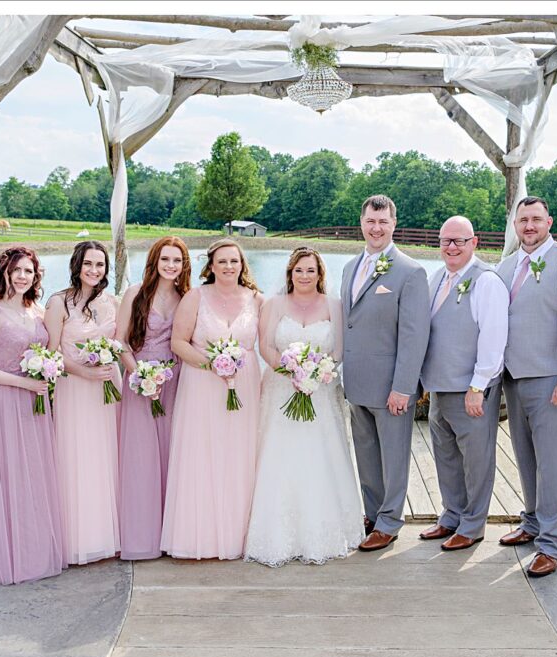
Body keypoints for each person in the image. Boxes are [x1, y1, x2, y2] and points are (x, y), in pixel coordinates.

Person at [495, 197, 557, 577]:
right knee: (526, 457)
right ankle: (533, 521)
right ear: (515, 225)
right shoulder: (505, 267)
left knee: (552, 464)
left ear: (549, 221)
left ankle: (551, 545)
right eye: (523, 220)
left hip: (554, 380)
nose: (530, 226)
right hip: (513, 378)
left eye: (536, 219)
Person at [244, 247, 364, 566]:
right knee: (279, 456)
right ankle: (277, 533)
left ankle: (323, 529)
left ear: (320, 274)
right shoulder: (274, 304)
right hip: (281, 389)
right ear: (290, 273)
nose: (305, 276)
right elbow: (266, 346)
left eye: (311, 270)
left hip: (320, 390)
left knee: (320, 456)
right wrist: (290, 371)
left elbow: (338, 350)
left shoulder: (334, 306)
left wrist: (316, 372)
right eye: (299, 270)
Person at [160, 238, 263, 560]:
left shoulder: (257, 300)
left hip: (243, 384)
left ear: (242, 265)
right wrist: (212, 364)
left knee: (239, 454)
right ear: (212, 266)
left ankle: (237, 536)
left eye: (234, 261)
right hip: (201, 384)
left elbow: (272, 340)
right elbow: (178, 342)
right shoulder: (195, 296)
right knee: (202, 453)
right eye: (222, 262)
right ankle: (198, 536)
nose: (229, 267)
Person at [0, 246, 66, 585]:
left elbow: (52, 350)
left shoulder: (38, 311)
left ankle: (37, 549)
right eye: (17, 270)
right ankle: (13, 556)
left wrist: (47, 373)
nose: (23, 276)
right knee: (11, 474)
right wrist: (23, 383)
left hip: (36, 402)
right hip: (5, 401)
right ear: (4, 273)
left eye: (29, 270)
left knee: (37, 474)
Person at [340, 195, 431, 552]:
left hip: (392, 386)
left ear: (394, 224)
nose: (376, 228)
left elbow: (414, 335)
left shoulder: (410, 271)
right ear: (361, 222)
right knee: (365, 454)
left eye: (383, 222)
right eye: (370, 221)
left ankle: (391, 521)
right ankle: (373, 513)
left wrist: (404, 387)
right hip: (357, 383)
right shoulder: (349, 268)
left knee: (393, 456)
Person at [417, 217, 508, 551]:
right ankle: (451, 515)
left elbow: (494, 337)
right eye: (445, 241)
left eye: (459, 241)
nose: (451, 247)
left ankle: (473, 525)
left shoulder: (486, 281)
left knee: (476, 459)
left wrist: (478, 385)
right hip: (440, 385)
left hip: (470, 389)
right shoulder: (436, 277)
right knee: (446, 455)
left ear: (475, 242)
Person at [45, 241, 122, 566]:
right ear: (77, 266)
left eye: (100, 265)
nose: (94, 270)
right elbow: (50, 353)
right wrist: (83, 373)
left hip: (107, 388)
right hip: (75, 389)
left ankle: (108, 536)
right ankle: (78, 539)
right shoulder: (58, 302)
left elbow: (122, 342)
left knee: (107, 456)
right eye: (89, 264)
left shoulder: (112, 302)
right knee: (77, 458)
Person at [114, 236, 191, 561]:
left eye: (177, 260)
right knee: (141, 459)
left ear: (184, 265)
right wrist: (140, 376)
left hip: (174, 384)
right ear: (155, 261)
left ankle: (170, 534)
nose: (171, 266)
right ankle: (140, 537)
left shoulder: (187, 297)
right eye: (166, 260)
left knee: (171, 456)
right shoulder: (135, 293)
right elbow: (119, 343)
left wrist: (164, 376)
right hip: (138, 384)